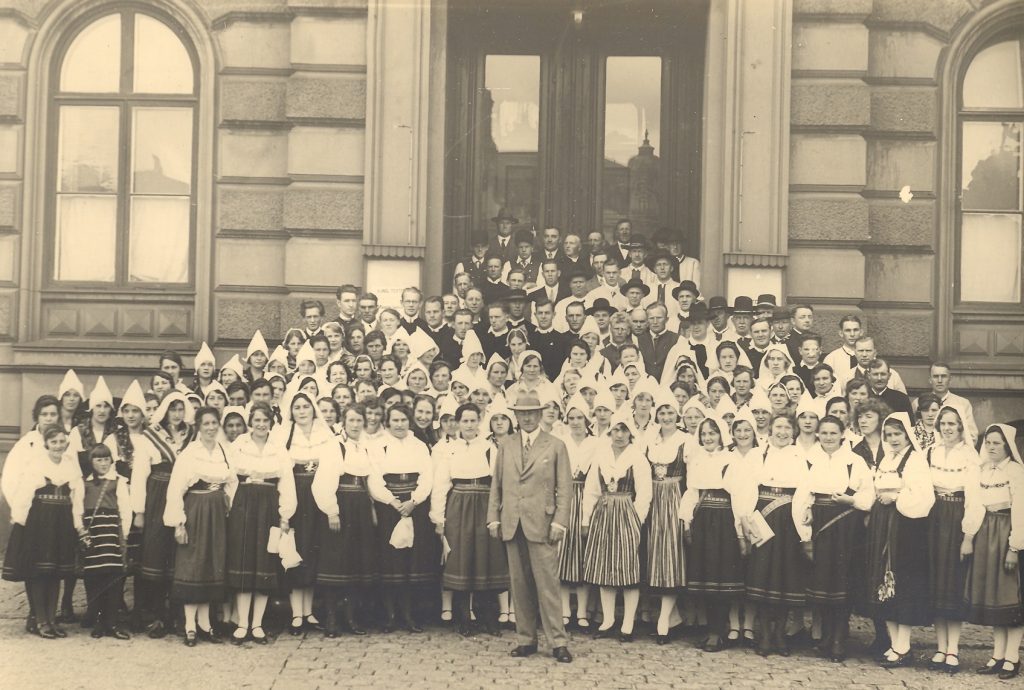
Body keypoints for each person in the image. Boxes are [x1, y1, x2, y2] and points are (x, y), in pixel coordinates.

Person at [487, 390, 573, 663]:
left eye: (531, 413)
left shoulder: (555, 445)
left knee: (547, 585)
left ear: (539, 415)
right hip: (513, 522)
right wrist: (494, 517)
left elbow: (565, 489)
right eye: (521, 413)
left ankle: (558, 642)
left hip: (543, 524)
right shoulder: (507, 445)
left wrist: (560, 521)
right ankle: (526, 639)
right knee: (519, 584)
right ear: (516, 416)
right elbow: (497, 485)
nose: (526, 418)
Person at [795, 416, 874, 662]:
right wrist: (806, 517)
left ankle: (840, 637)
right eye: (824, 433)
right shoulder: (810, 460)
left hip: (846, 526)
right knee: (822, 583)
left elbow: (868, 495)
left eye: (833, 433)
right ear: (818, 435)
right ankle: (827, 635)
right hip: (820, 524)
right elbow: (802, 494)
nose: (828, 437)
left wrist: (851, 500)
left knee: (843, 582)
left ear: (843, 434)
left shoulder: (855, 461)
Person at [863, 412, 935, 668]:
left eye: (897, 434)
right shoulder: (886, 459)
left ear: (907, 435)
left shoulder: (915, 460)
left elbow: (925, 498)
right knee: (882, 584)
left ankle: (903, 646)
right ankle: (895, 644)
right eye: (888, 434)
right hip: (882, 525)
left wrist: (895, 497)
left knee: (899, 583)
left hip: (904, 528)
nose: (893, 439)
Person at [431, 403, 509, 636]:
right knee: (461, 557)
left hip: (484, 503)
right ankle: (463, 618)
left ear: (479, 421)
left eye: (473, 420)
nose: (468, 425)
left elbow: (499, 483)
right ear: (457, 423)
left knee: (486, 558)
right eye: (464, 421)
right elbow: (441, 485)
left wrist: (498, 514)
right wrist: (438, 517)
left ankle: (489, 618)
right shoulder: (449, 450)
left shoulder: (489, 449)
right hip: (459, 504)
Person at [736, 414, 811, 657]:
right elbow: (746, 489)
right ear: (770, 429)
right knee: (763, 576)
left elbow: (804, 491)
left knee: (785, 577)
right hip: (763, 519)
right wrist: (745, 520)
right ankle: (765, 634)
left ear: (793, 430)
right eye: (778, 426)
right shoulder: (759, 455)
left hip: (788, 520)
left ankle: (780, 633)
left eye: (787, 427)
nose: (782, 431)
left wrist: (803, 527)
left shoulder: (800, 455)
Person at [163, 407, 237, 647]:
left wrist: (228, 504)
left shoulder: (224, 451)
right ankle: (189, 626)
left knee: (211, 565)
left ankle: (205, 624)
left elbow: (232, 482)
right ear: (198, 426)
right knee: (193, 566)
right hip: (195, 512)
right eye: (206, 423)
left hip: (217, 514)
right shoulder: (190, 454)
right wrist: (178, 524)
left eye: (214, 423)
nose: (211, 428)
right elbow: (175, 489)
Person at [2, 424, 84, 639]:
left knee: (56, 571)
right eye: (53, 442)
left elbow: (77, 499)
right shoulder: (37, 465)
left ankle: (51, 618)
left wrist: (78, 523)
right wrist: (20, 522)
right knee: (39, 571)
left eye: (61, 441)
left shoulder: (70, 465)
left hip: (62, 523)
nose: (58, 446)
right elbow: (24, 496)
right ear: (46, 443)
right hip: (40, 523)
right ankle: (40, 620)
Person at [226, 403, 296, 644]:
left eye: (265, 420)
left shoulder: (278, 449)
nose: (260, 424)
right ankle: (242, 624)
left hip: (268, 507)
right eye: (256, 419)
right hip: (244, 506)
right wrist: (231, 508)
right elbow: (229, 480)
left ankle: (257, 624)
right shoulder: (239, 446)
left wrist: (285, 514)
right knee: (245, 561)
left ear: (270, 422)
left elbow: (286, 482)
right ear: (250, 422)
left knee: (264, 563)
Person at [273, 392, 342, 635]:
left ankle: (309, 611)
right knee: (296, 550)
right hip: (295, 494)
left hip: (319, 496)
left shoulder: (326, 435)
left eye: (306, 407)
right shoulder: (284, 434)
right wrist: (285, 509)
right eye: (297, 407)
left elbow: (332, 469)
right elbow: (281, 470)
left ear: (313, 409)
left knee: (314, 551)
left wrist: (329, 506)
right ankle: (296, 614)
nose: (301, 411)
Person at [581, 412, 652, 642]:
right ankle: (608, 619)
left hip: (626, 513)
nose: (619, 435)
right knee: (605, 566)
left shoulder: (638, 458)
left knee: (628, 569)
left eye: (624, 430)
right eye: (615, 430)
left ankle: (628, 623)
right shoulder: (601, 456)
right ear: (609, 432)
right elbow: (591, 489)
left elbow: (644, 494)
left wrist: (636, 521)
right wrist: (586, 519)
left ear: (631, 433)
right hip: (603, 513)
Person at [312, 404, 382, 637]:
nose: (355, 425)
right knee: (336, 563)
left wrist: (378, 504)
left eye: (359, 421)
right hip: (342, 506)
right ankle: (332, 618)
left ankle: (351, 617)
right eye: (351, 420)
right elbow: (323, 481)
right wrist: (331, 511)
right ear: (343, 422)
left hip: (361, 506)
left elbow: (372, 481)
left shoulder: (366, 448)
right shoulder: (335, 447)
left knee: (356, 564)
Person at [963, 424, 1024, 680]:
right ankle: (998, 655)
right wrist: (969, 537)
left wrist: (1014, 547)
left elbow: (1020, 511)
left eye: (997, 443)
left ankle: (1012, 657)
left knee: (1010, 598)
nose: (991, 447)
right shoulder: (982, 470)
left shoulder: (1015, 471)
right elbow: (975, 506)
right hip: (987, 534)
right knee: (995, 599)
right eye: (988, 442)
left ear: (1007, 446)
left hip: (1007, 532)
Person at [368, 404, 437, 632]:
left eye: (403, 420)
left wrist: (414, 501)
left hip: (414, 504)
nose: (399, 425)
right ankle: (390, 615)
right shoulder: (378, 446)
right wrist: (391, 501)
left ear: (410, 421)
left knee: (411, 561)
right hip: (390, 505)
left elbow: (427, 476)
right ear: (387, 422)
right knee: (390, 562)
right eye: (395, 420)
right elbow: (374, 478)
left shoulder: (419, 446)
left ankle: (410, 615)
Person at [681, 415, 746, 651]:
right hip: (703, 520)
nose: (708, 438)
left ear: (721, 435)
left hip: (724, 520)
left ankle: (719, 631)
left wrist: (739, 529)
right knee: (706, 576)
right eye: (704, 434)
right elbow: (691, 492)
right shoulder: (696, 460)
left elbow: (738, 496)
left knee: (722, 577)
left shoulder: (731, 459)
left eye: (713, 433)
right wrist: (687, 521)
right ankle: (711, 629)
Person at [925, 406, 980, 674]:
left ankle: (953, 649)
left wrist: (968, 536)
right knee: (935, 580)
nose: (947, 428)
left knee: (953, 582)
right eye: (943, 423)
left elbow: (974, 499)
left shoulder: (969, 456)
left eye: (952, 424)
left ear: (961, 427)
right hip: (933, 518)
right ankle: (939, 647)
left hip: (956, 517)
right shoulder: (931, 452)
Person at [644, 394, 688, 642]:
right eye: (662, 413)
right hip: (653, 498)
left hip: (674, 498)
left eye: (670, 413)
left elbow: (692, 478)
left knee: (671, 555)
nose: (666, 417)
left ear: (677, 415)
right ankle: (669, 617)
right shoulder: (650, 440)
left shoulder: (685, 441)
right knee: (654, 555)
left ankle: (664, 620)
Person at [79, 445, 132, 640]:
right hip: (93, 536)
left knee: (113, 579)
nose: (103, 463)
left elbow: (125, 511)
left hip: (111, 536)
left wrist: (123, 537)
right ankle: (99, 621)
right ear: (91, 462)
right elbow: (78, 510)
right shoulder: (84, 484)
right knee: (94, 578)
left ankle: (112, 622)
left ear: (112, 460)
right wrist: (82, 532)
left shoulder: (118, 482)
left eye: (106, 459)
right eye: (98, 459)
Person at [916, 362, 978, 444]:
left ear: (950, 379)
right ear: (930, 380)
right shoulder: (918, 403)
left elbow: (972, 436)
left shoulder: (962, 403)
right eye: (935, 376)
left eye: (943, 376)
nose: (940, 380)